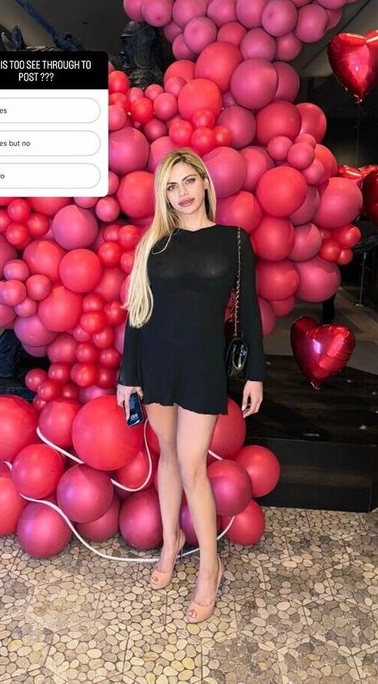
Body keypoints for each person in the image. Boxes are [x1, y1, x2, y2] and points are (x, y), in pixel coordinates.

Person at [116, 149, 265, 623]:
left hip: (202, 366)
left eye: (187, 181)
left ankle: (209, 567)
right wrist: (128, 376)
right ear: (163, 195)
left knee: (192, 465)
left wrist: (256, 373)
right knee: (168, 455)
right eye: (170, 186)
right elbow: (138, 313)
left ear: (204, 182)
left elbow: (248, 312)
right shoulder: (154, 243)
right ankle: (170, 541)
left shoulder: (234, 240)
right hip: (157, 363)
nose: (181, 193)